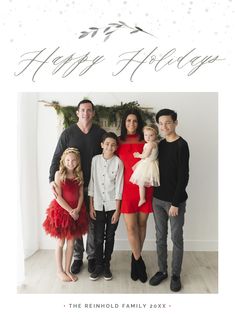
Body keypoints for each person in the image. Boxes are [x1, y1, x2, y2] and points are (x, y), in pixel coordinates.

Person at [49, 99, 106, 274]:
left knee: (90, 224)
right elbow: (57, 157)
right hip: (72, 189)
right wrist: (52, 179)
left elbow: (109, 153)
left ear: (93, 113)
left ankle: (92, 257)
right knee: (75, 224)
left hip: (94, 187)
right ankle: (77, 257)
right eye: (82, 110)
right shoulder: (68, 133)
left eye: (89, 110)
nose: (85, 113)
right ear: (77, 113)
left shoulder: (99, 133)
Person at [149, 109, 189, 292]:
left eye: (168, 122)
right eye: (161, 123)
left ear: (175, 123)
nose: (164, 126)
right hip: (157, 199)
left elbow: (183, 177)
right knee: (159, 238)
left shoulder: (182, 145)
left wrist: (175, 203)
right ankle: (162, 270)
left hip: (175, 202)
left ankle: (175, 275)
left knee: (176, 238)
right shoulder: (160, 145)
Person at [116, 108, 153, 283]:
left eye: (135, 121)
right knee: (131, 228)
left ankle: (134, 256)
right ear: (124, 122)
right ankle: (138, 262)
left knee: (142, 224)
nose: (132, 124)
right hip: (127, 189)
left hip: (145, 187)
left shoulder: (147, 140)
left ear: (139, 123)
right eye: (129, 121)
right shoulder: (117, 141)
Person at [43, 148, 88, 282]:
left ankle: (67, 269)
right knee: (61, 241)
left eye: (73, 160)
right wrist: (70, 211)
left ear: (78, 161)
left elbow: (81, 195)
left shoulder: (79, 175)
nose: (71, 162)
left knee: (72, 242)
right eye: (68, 160)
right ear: (63, 160)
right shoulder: (58, 174)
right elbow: (58, 197)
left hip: (76, 211)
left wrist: (78, 209)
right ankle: (59, 270)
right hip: (62, 212)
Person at [88, 132, 124, 281]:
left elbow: (119, 187)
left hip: (112, 207)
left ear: (116, 147)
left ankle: (107, 265)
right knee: (97, 238)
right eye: (107, 144)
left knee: (109, 237)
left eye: (113, 144)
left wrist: (118, 209)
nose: (110, 146)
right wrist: (91, 206)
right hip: (97, 205)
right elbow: (92, 183)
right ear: (102, 145)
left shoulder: (118, 162)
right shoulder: (95, 160)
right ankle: (98, 266)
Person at [130, 124, 160, 207]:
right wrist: (138, 163)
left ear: (156, 135)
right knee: (141, 183)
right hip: (146, 162)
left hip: (148, 164)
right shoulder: (151, 143)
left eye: (151, 135)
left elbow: (145, 155)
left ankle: (142, 198)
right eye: (146, 135)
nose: (148, 137)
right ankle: (142, 198)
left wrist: (138, 155)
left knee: (141, 183)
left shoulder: (150, 144)